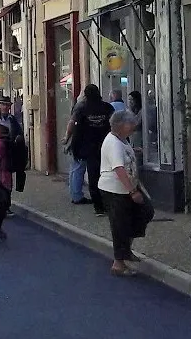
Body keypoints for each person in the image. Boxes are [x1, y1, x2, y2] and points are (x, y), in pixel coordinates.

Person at [99, 109, 149, 276]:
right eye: (131, 125)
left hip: (126, 187)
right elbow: (118, 168)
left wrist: (135, 151)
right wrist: (132, 191)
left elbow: (124, 157)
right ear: (120, 125)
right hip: (115, 189)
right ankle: (118, 263)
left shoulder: (122, 140)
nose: (134, 127)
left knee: (144, 212)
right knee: (120, 224)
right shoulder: (113, 142)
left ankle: (126, 250)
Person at [70, 85, 115, 215]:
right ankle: (108, 203)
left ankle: (98, 206)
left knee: (94, 177)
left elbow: (78, 130)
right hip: (107, 146)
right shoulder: (107, 107)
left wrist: (75, 147)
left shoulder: (82, 109)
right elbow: (115, 125)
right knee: (108, 175)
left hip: (90, 149)